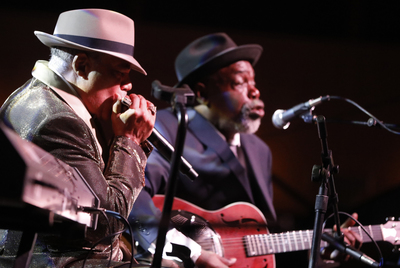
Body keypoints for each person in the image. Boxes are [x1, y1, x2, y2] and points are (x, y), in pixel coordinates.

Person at [129, 33, 363, 267]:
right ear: (201, 92)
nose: (255, 92)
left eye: (254, 82)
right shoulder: (168, 128)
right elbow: (135, 197)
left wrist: (320, 248)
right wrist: (196, 253)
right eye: (240, 83)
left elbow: (262, 241)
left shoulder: (259, 150)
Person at [0, 9, 155, 267]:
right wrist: (129, 141)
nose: (128, 85)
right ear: (81, 66)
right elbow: (106, 222)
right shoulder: (59, 121)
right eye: (121, 73)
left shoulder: (32, 95)